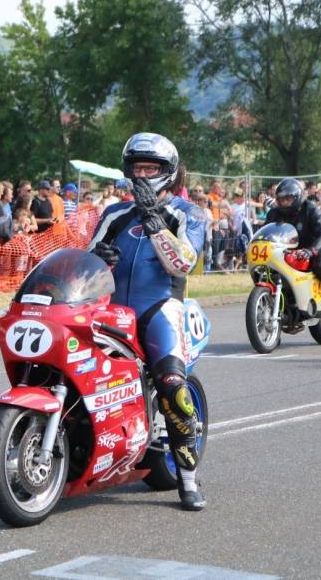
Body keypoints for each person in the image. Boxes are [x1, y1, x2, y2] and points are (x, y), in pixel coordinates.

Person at [87, 132, 208, 511]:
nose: (142, 175)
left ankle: (188, 478)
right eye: (137, 168)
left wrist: (155, 221)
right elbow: (83, 262)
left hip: (160, 309)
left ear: (166, 172)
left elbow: (182, 262)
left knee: (172, 384)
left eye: (150, 169)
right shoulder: (114, 214)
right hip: (111, 312)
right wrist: (98, 257)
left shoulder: (189, 214)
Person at [265, 177, 321, 315]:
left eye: (288, 199)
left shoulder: (311, 209)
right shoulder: (274, 213)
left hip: (316, 245)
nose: (284, 203)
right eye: (281, 199)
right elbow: (266, 233)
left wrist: (312, 250)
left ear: (297, 197)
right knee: (270, 271)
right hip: (291, 248)